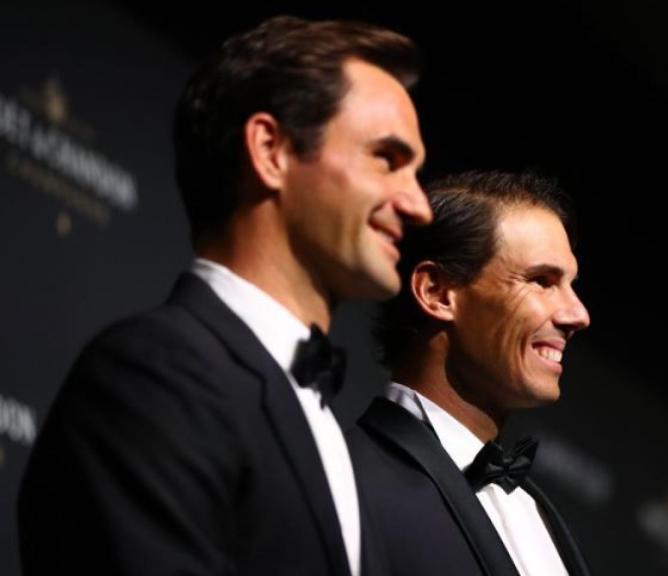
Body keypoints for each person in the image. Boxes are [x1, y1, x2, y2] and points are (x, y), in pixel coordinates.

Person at [18, 15, 430, 576]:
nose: (418, 206)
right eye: (387, 159)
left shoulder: (321, 420)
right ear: (271, 150)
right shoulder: (155, 376)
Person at [349, 171, 592, 575]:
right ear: (438, 293)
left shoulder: (535, 508)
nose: (578, 314)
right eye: (542, 281)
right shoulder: (346, 477)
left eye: (570, 284)